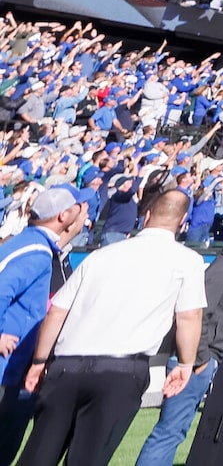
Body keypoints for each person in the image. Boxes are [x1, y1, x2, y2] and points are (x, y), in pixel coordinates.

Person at [18, 179, 206, 466]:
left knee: (37, 455)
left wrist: (39, 361)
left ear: (146, 217)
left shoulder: (101, 255)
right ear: (182, 223)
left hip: (67, 366)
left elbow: (57, 311)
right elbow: (189, 315)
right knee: (88, 458)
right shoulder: (187, 260)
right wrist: (185, 364)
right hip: (120, 372)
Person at [132, 212, 223, 466]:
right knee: (169, 432)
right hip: (195, 362)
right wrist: (200, 358)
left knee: (175, 432)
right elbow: (196, 312)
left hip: (200, 359)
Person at [0, 186, 84, 466]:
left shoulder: (26, 242)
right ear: (63, 215)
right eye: (78, 209)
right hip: (8, 370)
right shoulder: (36, 251)